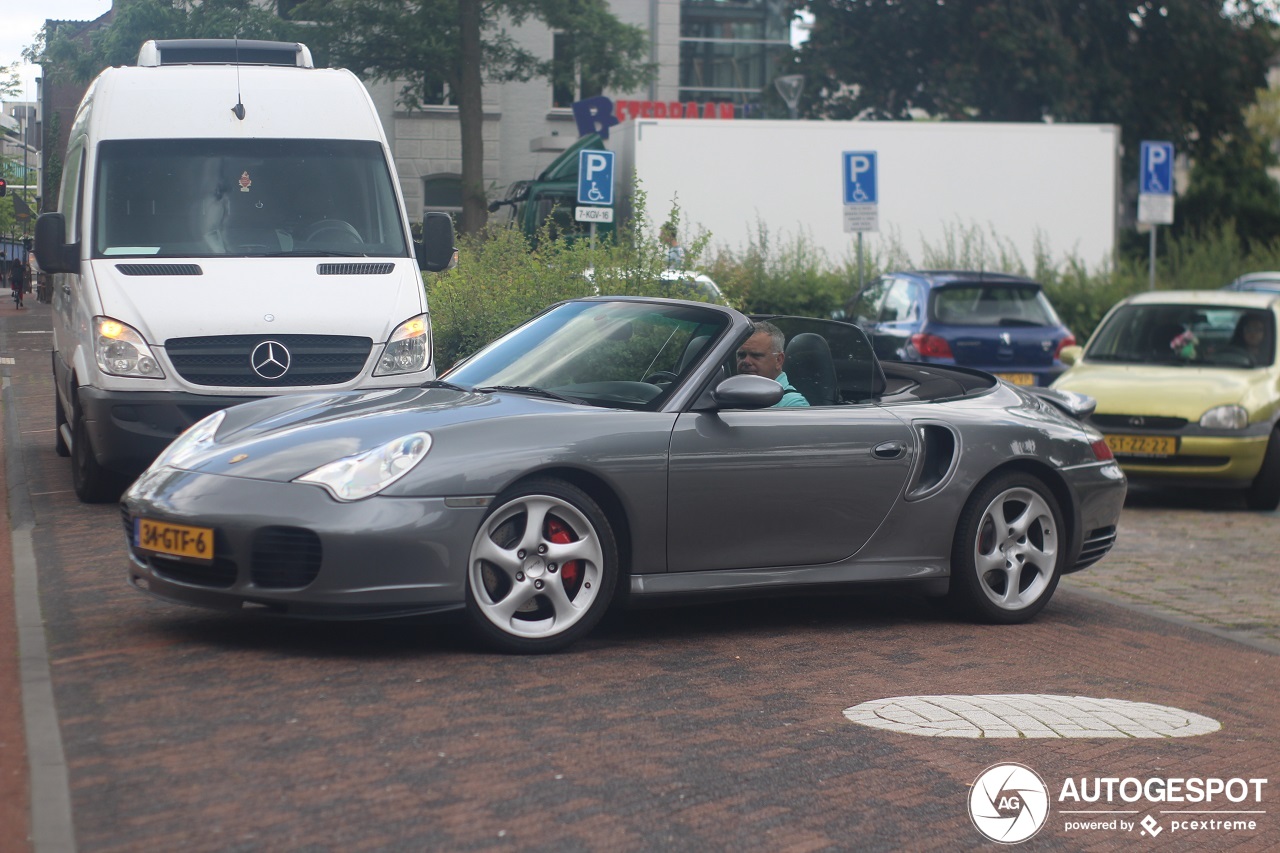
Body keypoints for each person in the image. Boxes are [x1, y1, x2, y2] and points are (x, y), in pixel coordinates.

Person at [735, 320, 809, 407]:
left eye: (756, 355)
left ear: (778, 360)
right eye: (741, 355)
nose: (746, 361)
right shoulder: (735, 396)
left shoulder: (793, 404)